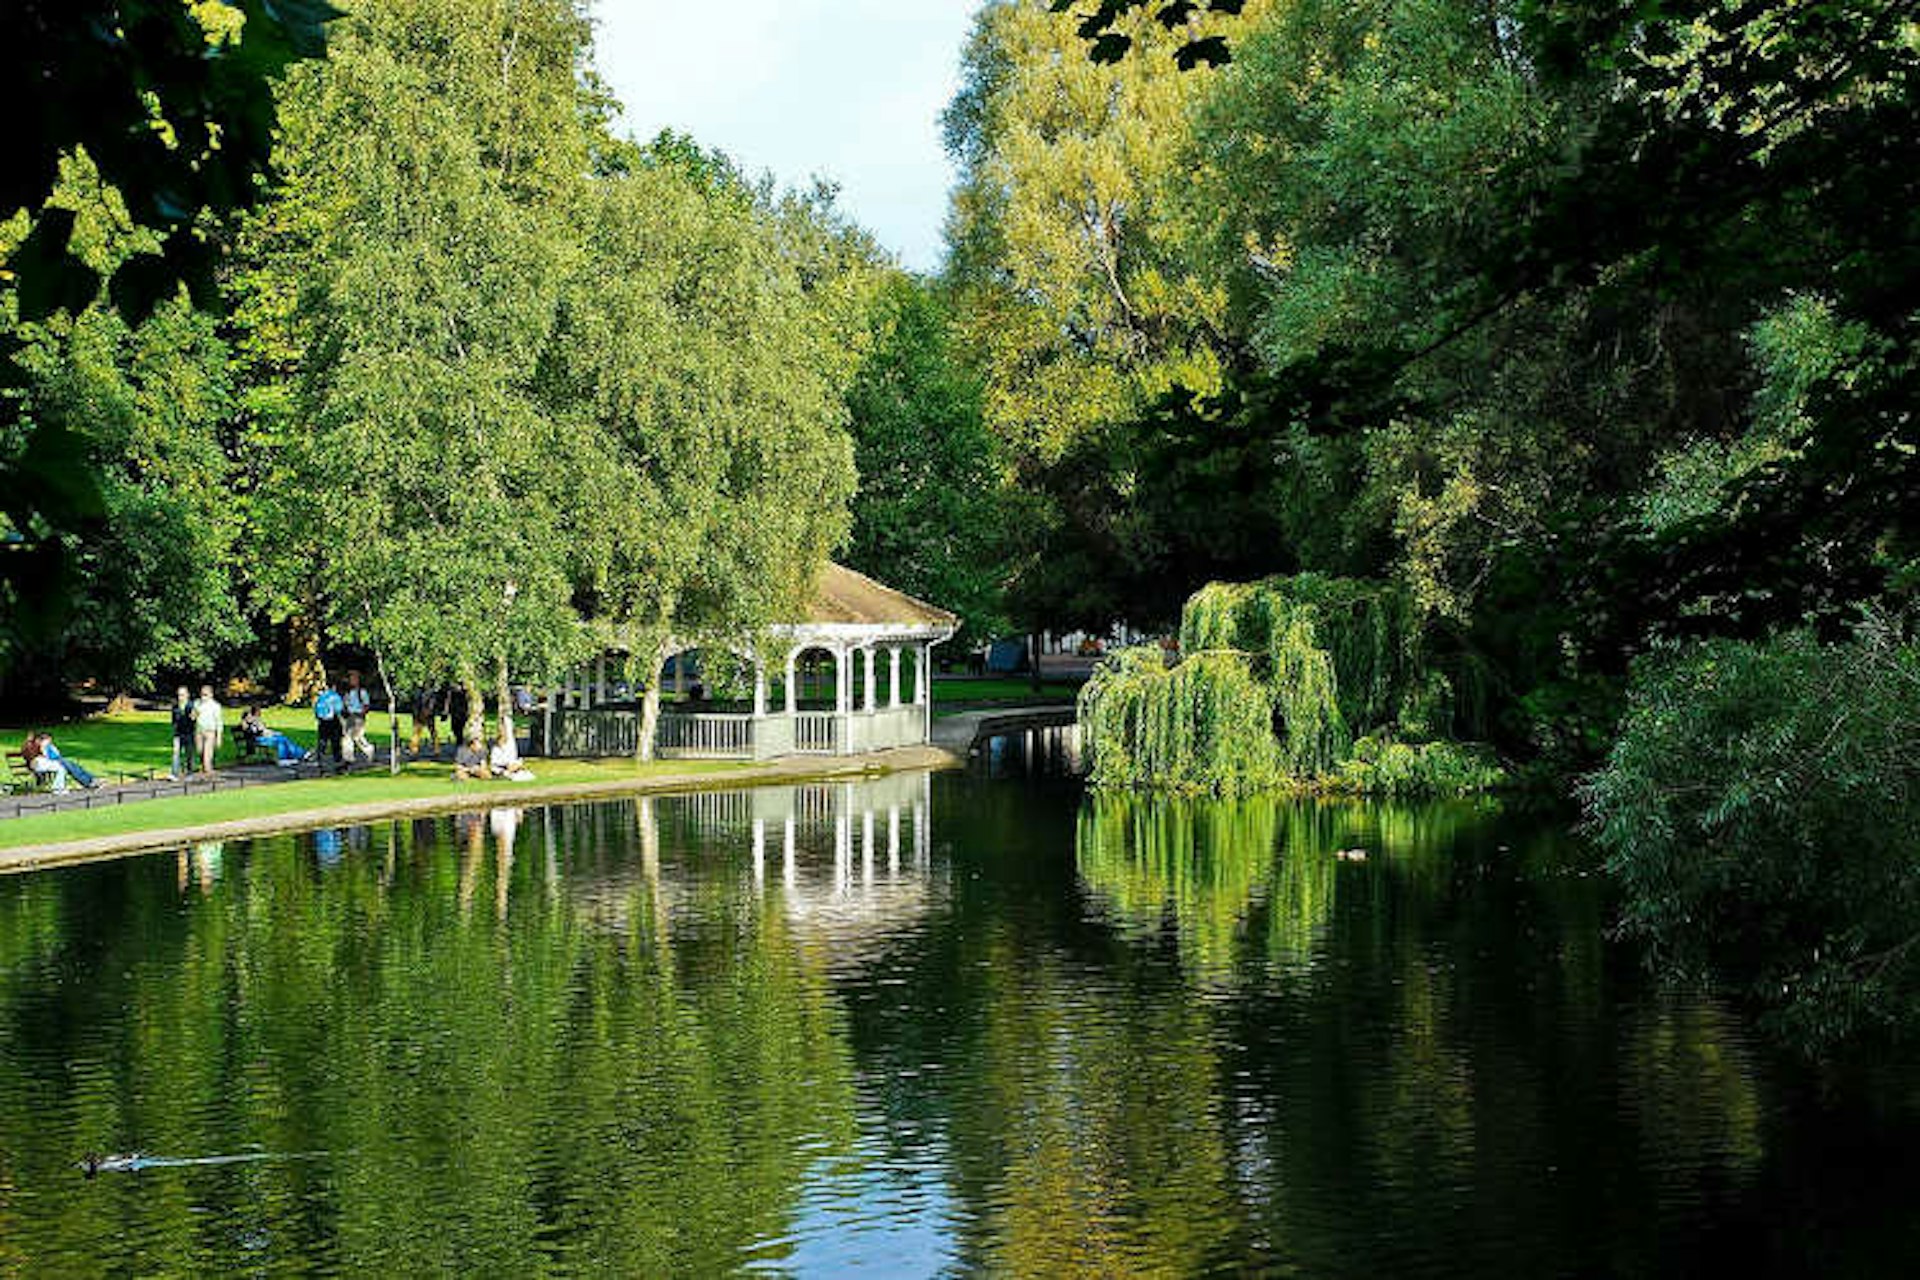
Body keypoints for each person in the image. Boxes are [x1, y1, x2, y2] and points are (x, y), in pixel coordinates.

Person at [29, 732, 98, 792]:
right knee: (70, 767)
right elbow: (46, 757)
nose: (50, 741)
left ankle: (90, 778)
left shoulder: (51, 746)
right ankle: (88, 781)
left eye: (50, 739)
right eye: (48, 739)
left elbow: (58, 754)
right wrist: (44, 747)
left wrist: (50, 748)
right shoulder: (41, 747)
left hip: (58, 759)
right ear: (43, 740)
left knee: (75, 766)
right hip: (52, 761)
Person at [342, 670, 374, 764]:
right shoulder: (348, 693)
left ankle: (369, 749)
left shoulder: (362, 692)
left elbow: (367, 705)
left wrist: (361, 714)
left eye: (353, 679)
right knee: (347, 736)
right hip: (350, 716)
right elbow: (345, 705)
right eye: (350, 679)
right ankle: (348, 757)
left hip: (358, 717)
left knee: (357, 737)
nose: (351, 681)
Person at [313, 682, 345, 771]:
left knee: (322, 742)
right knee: (335, 742)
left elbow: (316, 710)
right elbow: (339, 710)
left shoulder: (321, 697)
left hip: (322, 722)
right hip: (333, 721)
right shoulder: (335, 696)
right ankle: (338, 761)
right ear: (334, 687)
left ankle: (321, 761)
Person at [192, 684, 223, 775]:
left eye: (205, 695)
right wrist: (194, 714)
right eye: (202, 694)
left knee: (207, 754)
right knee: (200, 750)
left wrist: (219, 737)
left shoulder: (215, 706)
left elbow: (219, 722)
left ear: (211, 695)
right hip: (199, 731)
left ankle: (208, 771)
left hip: (210, 732)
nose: (203, 697)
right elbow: (193, 717)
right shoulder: (197, 703)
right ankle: (206, 768)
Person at [169, 686, 194, 780]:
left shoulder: (191, 706)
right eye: (179, 695)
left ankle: (189, 773)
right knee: (176, 753)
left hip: (189, 734)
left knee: (189, 754)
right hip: (178, 734)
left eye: (182, 695)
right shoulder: (175, 707)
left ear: (187, 695)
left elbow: (194, 720)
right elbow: (173, 721)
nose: (180, 697)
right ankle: (174, 773)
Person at [409, 686, 441, 757]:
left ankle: (415, 750)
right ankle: (415, 749)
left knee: (425, 732)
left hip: (423, 714)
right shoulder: (429, 692)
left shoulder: (420, 692)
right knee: (420, 732)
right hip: (424, 714)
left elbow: (416, 704)